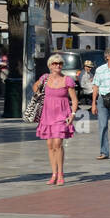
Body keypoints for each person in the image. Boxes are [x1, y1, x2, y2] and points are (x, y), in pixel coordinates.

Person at [34, 54, 78, 186]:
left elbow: (74, 99)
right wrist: (37, 90)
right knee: (50, 145)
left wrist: (73, 114)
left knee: (58, 143)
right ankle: (53, 174)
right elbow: (35, 87)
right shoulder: (45, 78)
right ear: (50, 65)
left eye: (60, 63)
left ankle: (60, 174)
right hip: (47, 115)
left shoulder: (67, 80)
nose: (57, 65)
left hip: (62, 115)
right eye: (54, 63)